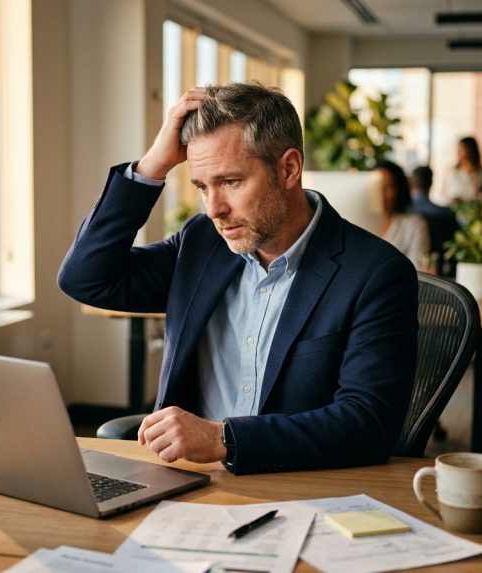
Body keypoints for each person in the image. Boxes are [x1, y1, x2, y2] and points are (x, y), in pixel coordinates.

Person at [58, 83, 418, 475]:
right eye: (202, 187)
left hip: (301, 487)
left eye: (230, 182)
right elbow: (86, 279)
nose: (215, 209)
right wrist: (151, 168)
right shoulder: (202, 244)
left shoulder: (375, 273)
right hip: (190, 480)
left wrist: (222, 438)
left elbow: (368, 424)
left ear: (288, 169)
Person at [373, 160, 429, 271]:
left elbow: (418, 274)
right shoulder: (355, 223)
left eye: (388, 187)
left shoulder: (414, 225)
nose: (381, 193)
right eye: (376, 187)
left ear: (399, 189)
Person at [410, 165, 458, 276]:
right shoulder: (446, 213)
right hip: (441, 269)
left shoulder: (403, 214)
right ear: (431, 183)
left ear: (411, 183)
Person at [443, 136, 482, 207]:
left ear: (471, 150)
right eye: (458, 149)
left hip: (476, 214)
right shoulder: (451, 172)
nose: (458, 152)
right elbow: (444, 195)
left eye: (462, 149)